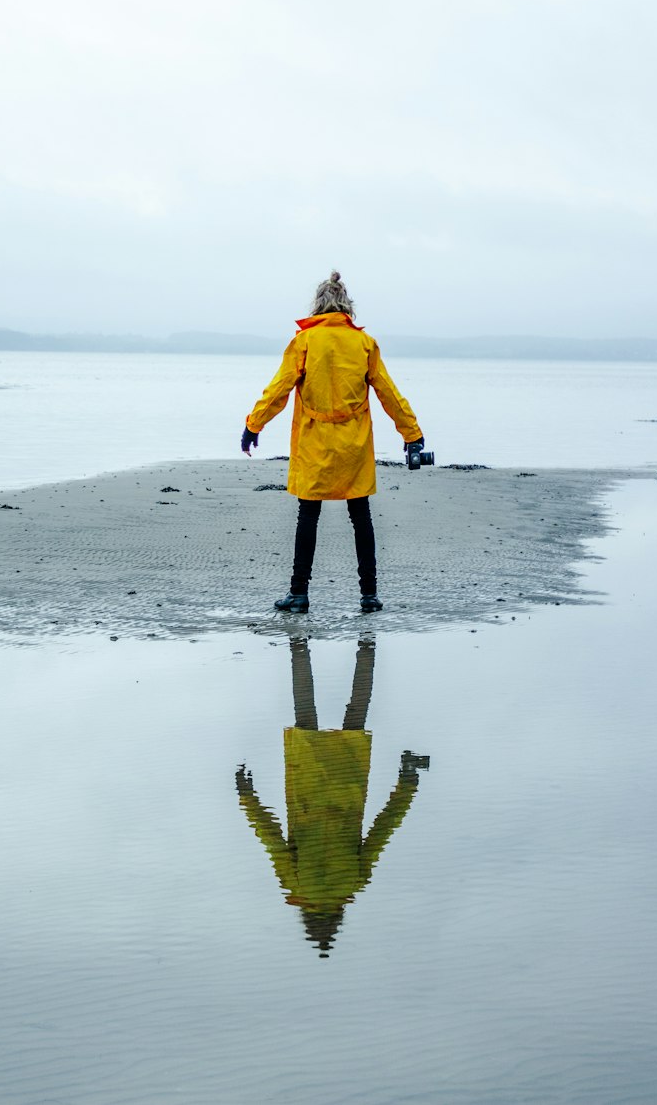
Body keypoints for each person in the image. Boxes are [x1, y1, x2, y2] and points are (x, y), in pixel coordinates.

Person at [241, 270, 424, 612]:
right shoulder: (364, 343)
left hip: (315, 442)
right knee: (361, 517)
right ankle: (369, 595)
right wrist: (411, 434)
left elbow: (279, 388)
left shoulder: (304, 342)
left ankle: (299, 594)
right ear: (346, 307)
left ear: (317, 307)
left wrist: (254, 425)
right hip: (354, 443)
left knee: (308, 517)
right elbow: (388, 392)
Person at [235, 636, 427, 956]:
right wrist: (247, 796)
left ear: (338, 916)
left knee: (356, 712)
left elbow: (385, 827)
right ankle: (298, 644)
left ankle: (367, 646)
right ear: (305, 917)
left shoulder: (353, 883)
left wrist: (407, 782)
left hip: (347, 787)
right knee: (305, 709)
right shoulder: (295, 885)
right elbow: (269, 836)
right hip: (307, 786)